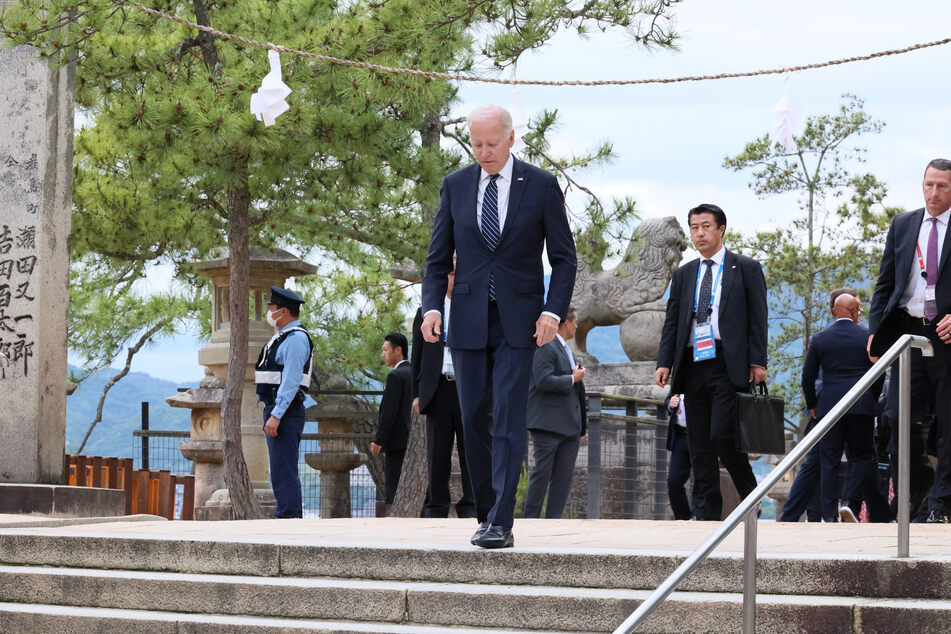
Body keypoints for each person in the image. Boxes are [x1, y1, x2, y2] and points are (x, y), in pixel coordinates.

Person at [420, 104, 577, 548]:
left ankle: (501, 521)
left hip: (521, 322)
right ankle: (488, 509)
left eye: (491, 143)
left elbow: (564, 259)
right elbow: (436, 261)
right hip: (467, 319)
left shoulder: (542, 186)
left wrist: (552, 312)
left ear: (511, 139)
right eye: (476, 144)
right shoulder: (456, 186)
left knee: (508, 417)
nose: (483, 152)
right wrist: (433, 308)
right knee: (473, 419)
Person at [654, 203, 768, 521]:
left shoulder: (745, 268)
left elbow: (759, 318)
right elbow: (673, 322)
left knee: (722, 434)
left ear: (721, 229)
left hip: (728, 362)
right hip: (692, 363)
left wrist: (758, 361)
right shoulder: (684, 274)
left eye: (706, 226)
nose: (699, 233)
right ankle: (705, 510)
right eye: (694, 227)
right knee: (698, 439)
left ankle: (751, 496)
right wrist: (665, 362)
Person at [869, 158, 951, 523]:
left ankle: (940, 503)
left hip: (946, 333)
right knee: (895, 415)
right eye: (929, 185)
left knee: (949, 421)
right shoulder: (903, 224)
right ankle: (919, 478)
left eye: (943, 187)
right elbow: (886, 281)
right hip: (907, 331)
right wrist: (874, 330)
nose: (934, 193)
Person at [803, 292, 884, 522]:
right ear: (854, 310)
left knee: (829, 459)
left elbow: (807, 377)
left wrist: (813, 405)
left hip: (829, 406)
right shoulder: (867, 338)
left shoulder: (820, 339)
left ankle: (829, 516)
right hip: (861, 405)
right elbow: (879, 373)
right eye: (859, 309)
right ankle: (850, 502)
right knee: (862, 456)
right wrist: (870, 398)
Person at [410, 260, 477, 519]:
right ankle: (436, 506)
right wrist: (416, 393)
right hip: (438, 387)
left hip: (467, 387)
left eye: (459, 274)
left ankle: (471, 505)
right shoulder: (428, 311)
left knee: (470, 449)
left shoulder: (474, 308)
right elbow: (417, 355)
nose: (454, 279)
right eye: (450, 273)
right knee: (437, 453)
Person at [254, 286, 313, 519]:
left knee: (284, 469)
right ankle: (287, 515)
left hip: (286, 410)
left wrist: (276, 415)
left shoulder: (296, 338)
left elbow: (290, 379)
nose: (269, 312)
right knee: (280, 468)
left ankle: (289, 517)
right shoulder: (283, 337)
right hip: (278, 408)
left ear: (284, 311)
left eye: (272, 308)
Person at [523, 307, 586, 519]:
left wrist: (581, 426)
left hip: (569, 426)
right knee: (542, 474)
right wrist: (572, 379)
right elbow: (542, 380)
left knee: (563, 479)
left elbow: (578, 392)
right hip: (547, 423)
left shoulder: (566, 349)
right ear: (566, 323)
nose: (577, 326)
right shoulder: (545, 346)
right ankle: (530, 520)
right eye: (575, 321)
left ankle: (554, 521)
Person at [371, 332, 413, 508]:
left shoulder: (395, 376)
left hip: (397, 441)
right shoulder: (414, 373)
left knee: (394, 487)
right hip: (415, 439)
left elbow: (389, 411)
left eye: (385, 350)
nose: (383, 354)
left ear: (398, 350)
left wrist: (379, 439)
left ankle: (395, 517)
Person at [665, 393, 694, 520]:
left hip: (701, 435)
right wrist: (670, 404)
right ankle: (683, 517)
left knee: (702, 479)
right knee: (674, 480)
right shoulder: (679, 378)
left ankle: (701, 515)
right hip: (680, 435)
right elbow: (668, 399)